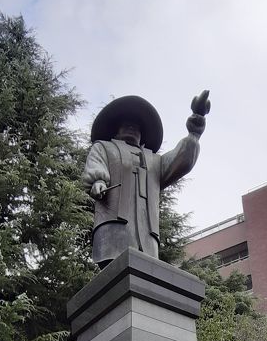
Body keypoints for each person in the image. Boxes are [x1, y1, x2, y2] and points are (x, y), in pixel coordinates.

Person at [83, 91, 210, 266]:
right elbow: (96, 166)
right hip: (114, 224)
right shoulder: (104, 148)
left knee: (147, 272)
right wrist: (97, 182)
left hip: (147, 230)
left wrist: (194, 135)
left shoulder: (154, 161)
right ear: (116, 128)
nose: (132, 128)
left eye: (136, 127)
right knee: (115, 271)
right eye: (126, 125)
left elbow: (180, 160)